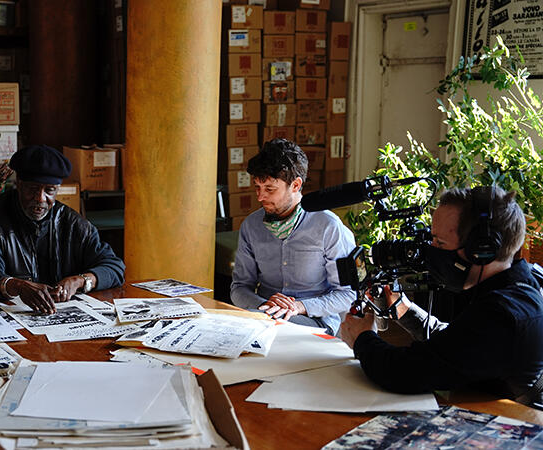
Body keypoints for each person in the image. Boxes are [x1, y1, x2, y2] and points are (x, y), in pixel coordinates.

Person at [340, 186, 543, 409]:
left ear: (481, 248)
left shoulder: (503, 313)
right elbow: (456, 346)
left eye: (440, 243)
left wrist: (363, 338)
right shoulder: (518, 281)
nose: (431, 250)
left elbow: (405, 373)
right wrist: (407, 311)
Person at [0, 145, 125, 314]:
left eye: (49, 190)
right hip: (5, 315)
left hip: (57, 316)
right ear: (19, 185)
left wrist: (79, 281)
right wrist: (18, 286)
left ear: (57, 190)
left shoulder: (74, 224)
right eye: (32, 189)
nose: (40, 198)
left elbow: (114, 267)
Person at [230, 139, 356, 335]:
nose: (260, 197)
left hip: (315, 322)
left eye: (270, 189)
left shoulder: (328, 226)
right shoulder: (251, 226)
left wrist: (299, 306)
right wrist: (267, 305)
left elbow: (348, 294)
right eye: (257, 187)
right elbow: (239, 287)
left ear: (296, 185)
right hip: (264, 318)